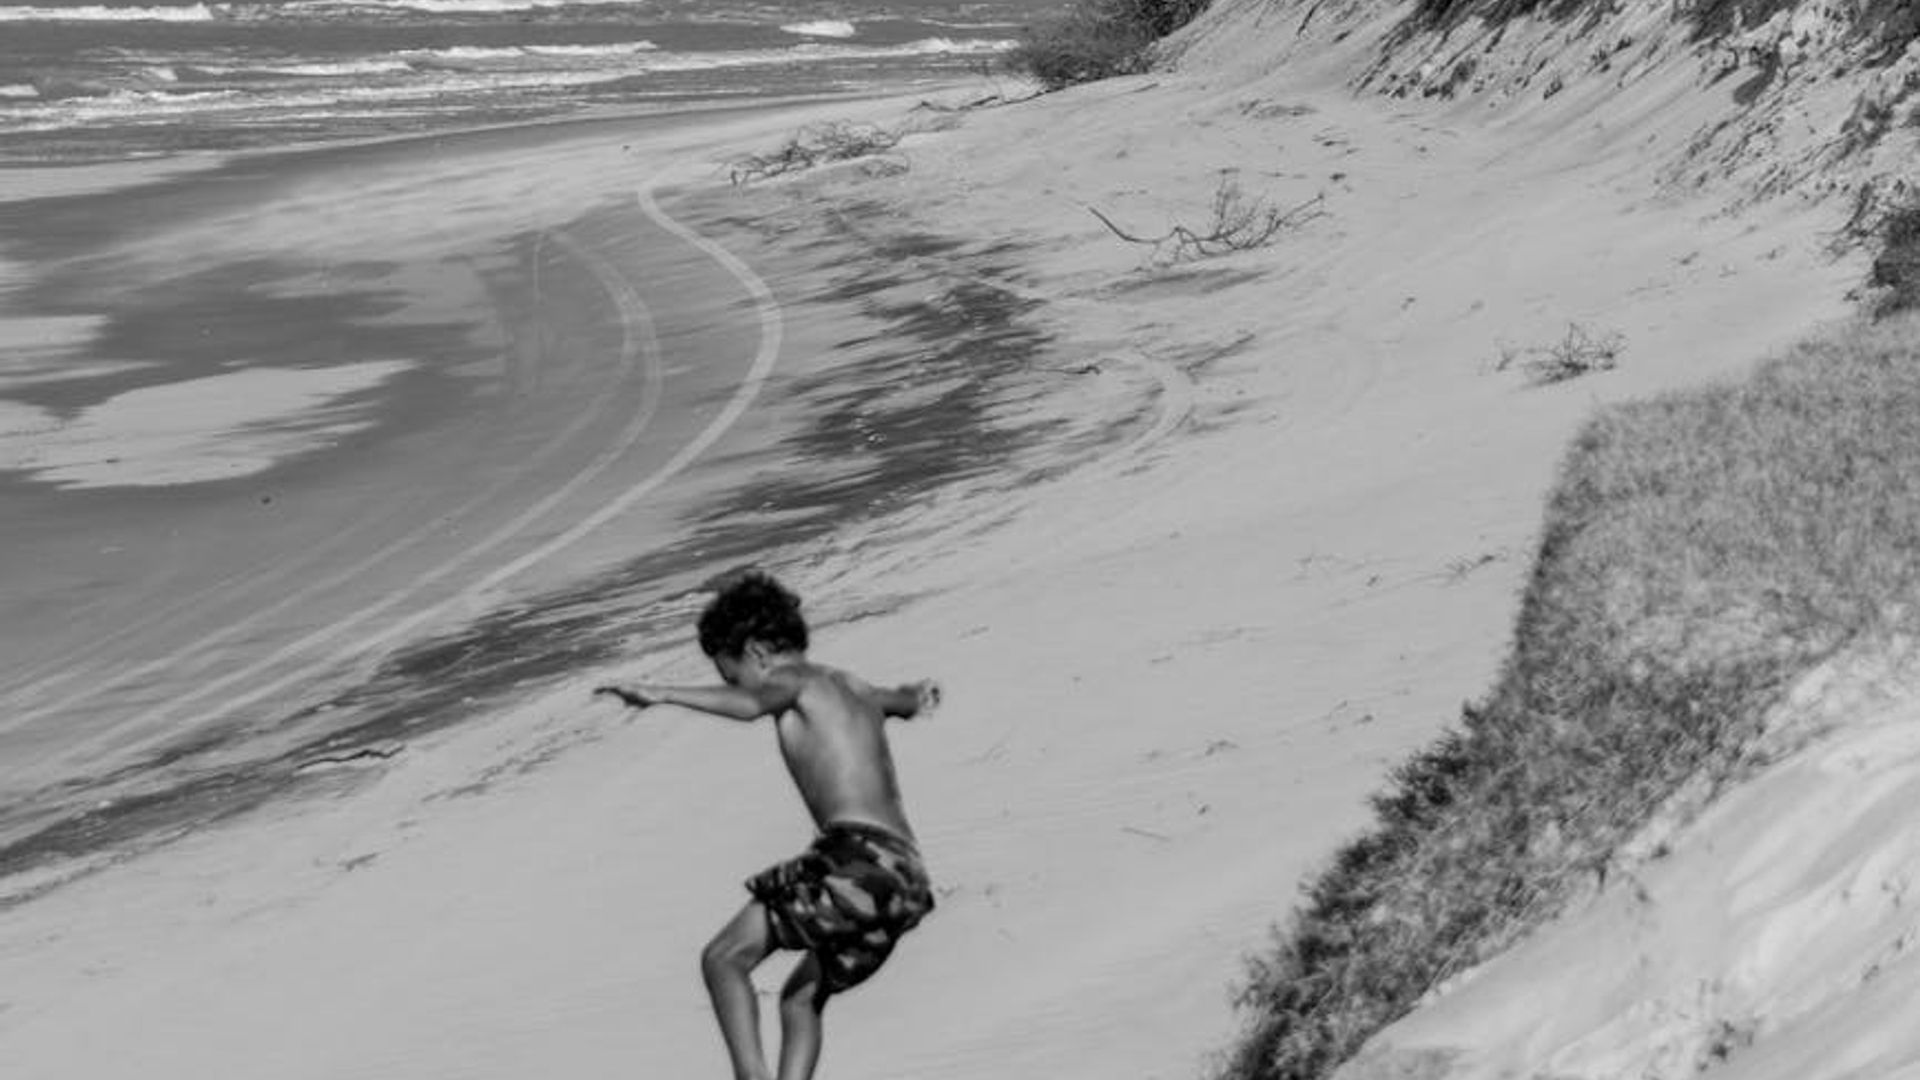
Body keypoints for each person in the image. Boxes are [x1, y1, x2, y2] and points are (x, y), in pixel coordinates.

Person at [595, 570, 940, 1080]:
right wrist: (917, 694)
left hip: (858, 860)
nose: (732, 685)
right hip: (906, 875)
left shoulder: (790, 681)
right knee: (799, 1000)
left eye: (729, 674)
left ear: (757, 653)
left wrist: (660, 693)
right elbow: (906, 703)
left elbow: (752, 704)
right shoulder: (855, 686)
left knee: (723, 959)